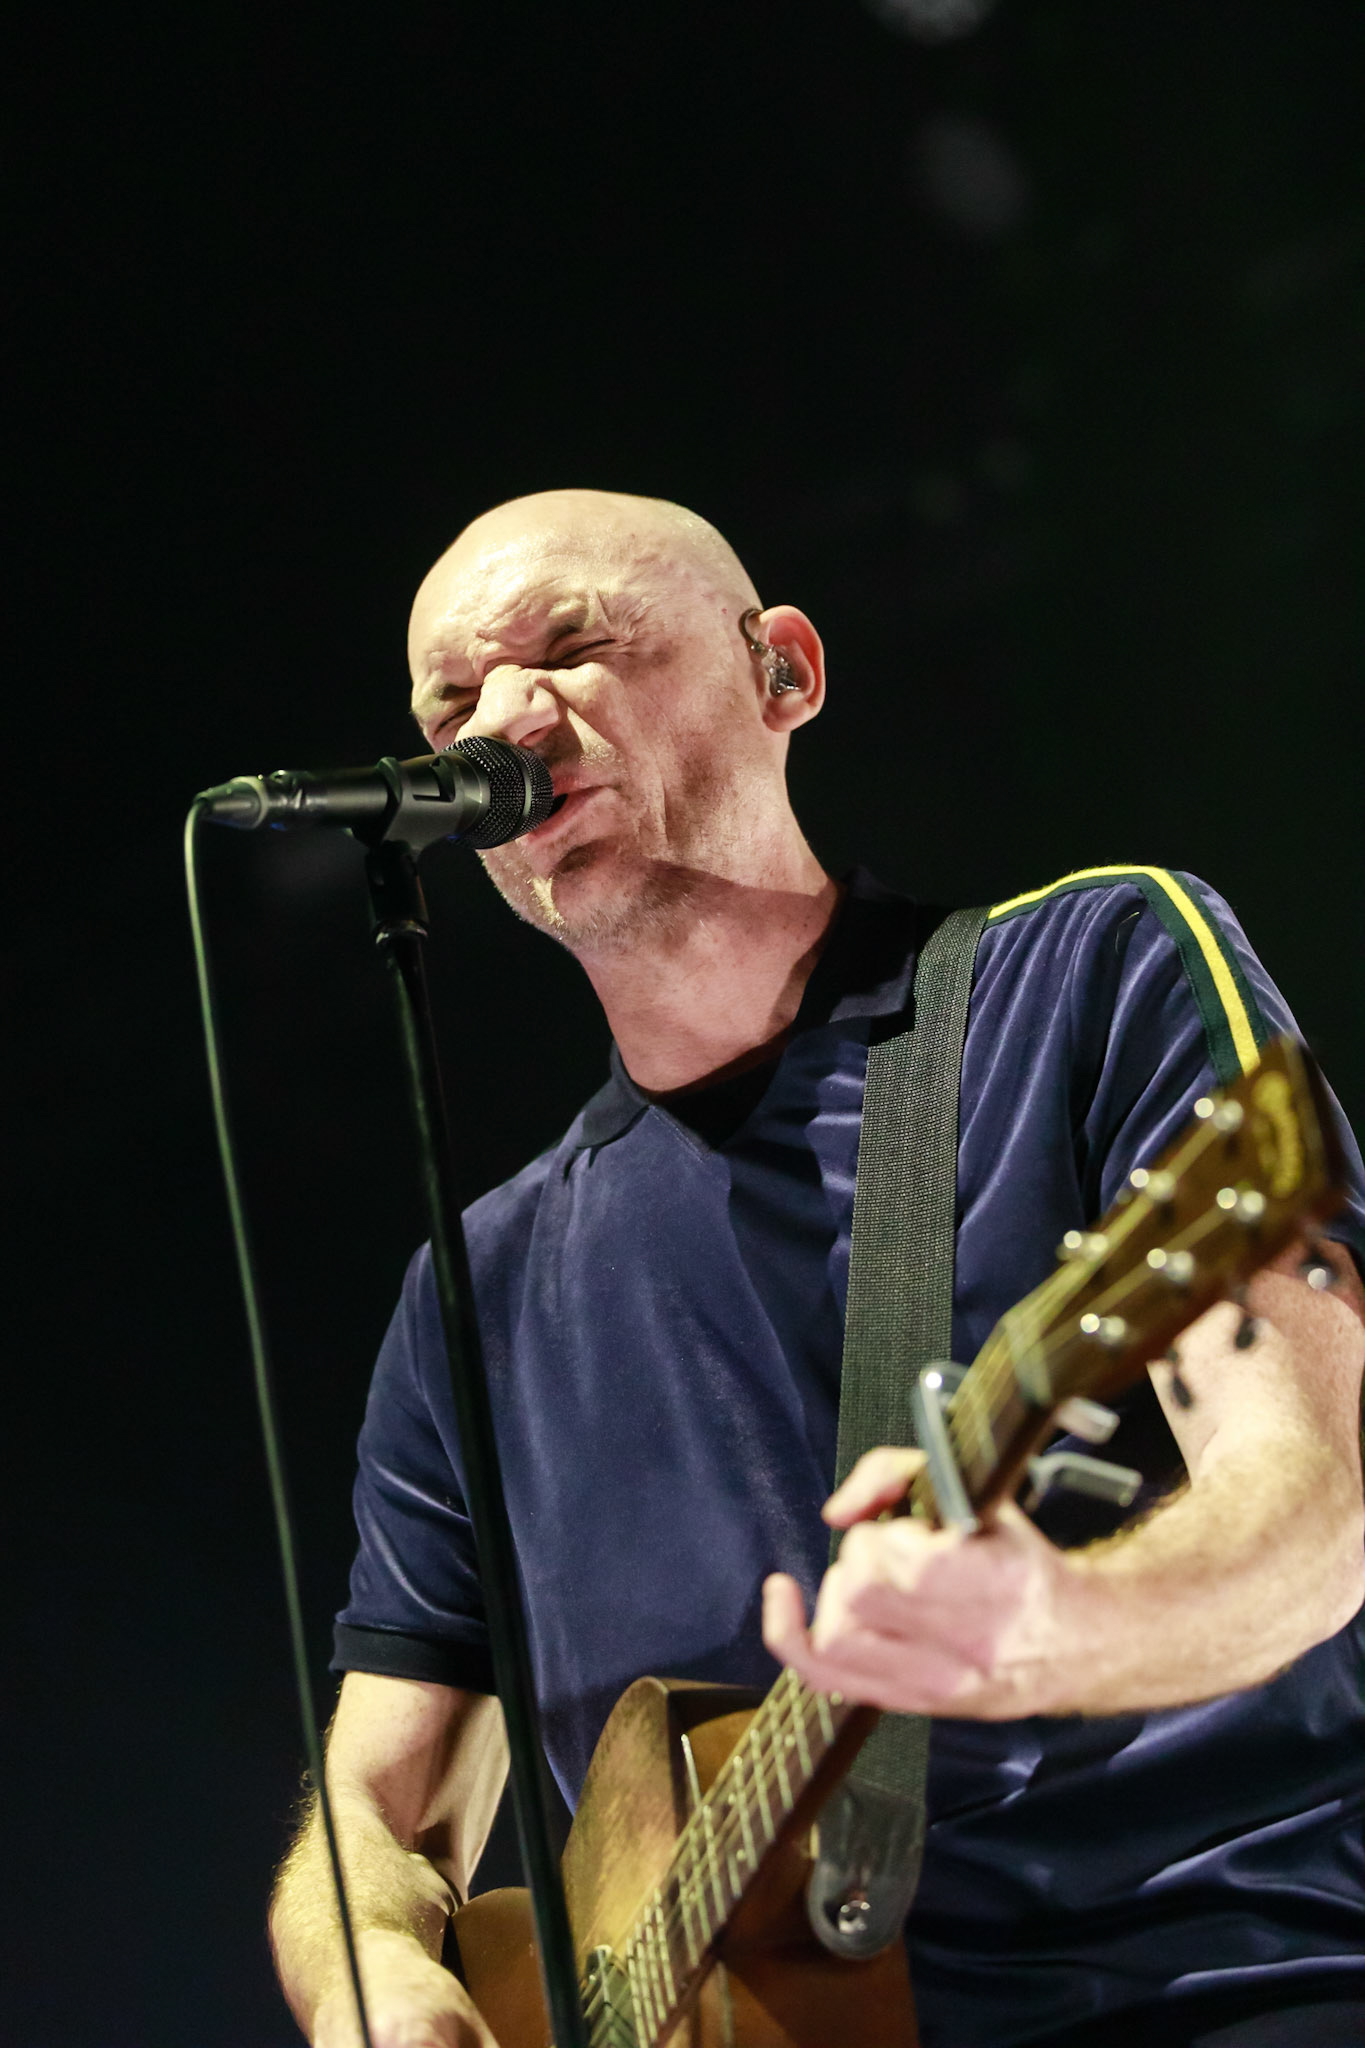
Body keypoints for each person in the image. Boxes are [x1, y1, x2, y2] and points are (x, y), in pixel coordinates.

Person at [268, 490, 1365, 2048]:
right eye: (450, 699)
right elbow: (375, 1809)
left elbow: (1314, 1510)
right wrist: (366, 1978)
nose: (504, 721)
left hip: (1200, 1986)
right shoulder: (479, 1288)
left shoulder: (1086, 975)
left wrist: (1053, 1625)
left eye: (572, 646)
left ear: (781, 672)